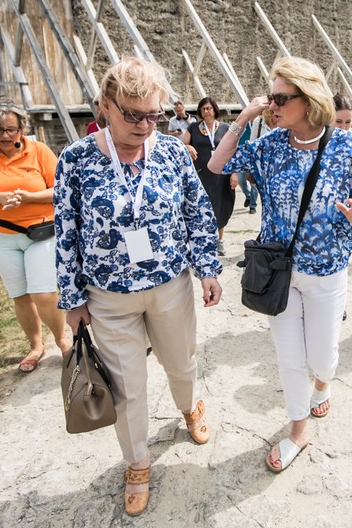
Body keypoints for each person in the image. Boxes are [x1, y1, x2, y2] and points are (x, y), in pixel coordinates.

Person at [54, 57, 223, 517]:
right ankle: (137, 463)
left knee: (180, 361)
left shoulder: (169, 151)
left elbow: (196, 212)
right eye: (133, 115)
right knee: (127, 387)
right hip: (108, 298)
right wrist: (71, 300)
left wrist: (208, 268)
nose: (146, 125)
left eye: (154, 115)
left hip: (170, 286)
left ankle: (189, 406)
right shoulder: (75, 160)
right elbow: (65, 231)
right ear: (105, 106)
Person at [208, 56, 352, 473]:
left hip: (326, 271)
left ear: (308, 99)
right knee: (289, 359)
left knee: (322, 357)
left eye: (281, 98)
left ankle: (323, 383)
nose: (273, 105)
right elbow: (216, 165)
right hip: (278, 272)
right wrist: (246, 116)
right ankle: (298, 429)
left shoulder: (346, 145)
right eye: (270, 97)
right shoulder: (268, 146)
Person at [0, 97, 71, 372]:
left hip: (40, 232)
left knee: (43, 292)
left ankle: (62, 340)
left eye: (11, 129)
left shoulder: (39, 151)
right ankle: (36, 346)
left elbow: (59, 190)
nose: (4, 136)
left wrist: (28, 198)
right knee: (21, 295)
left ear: (22, 128)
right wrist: (1, 197)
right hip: (1, 235)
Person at [182, 97, 236, 256]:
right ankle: (201, 241)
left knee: (219, 207)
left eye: (209, 108)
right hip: (200, 176)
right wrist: (188, 146)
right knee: (200, 207)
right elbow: (180, 145)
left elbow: (233, 152)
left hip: (221, 176)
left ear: (215, 110)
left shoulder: (225, 128)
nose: (206, 111)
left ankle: (220, 241)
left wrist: (234, 173)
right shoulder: (193, 128)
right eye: (203, 108)